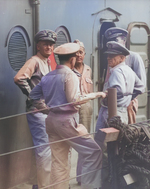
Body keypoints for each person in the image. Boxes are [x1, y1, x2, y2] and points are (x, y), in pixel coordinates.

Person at [29, 42, 106, 189]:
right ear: (72, 60)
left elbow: (33, 97)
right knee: (93, 152)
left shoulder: (47, 76)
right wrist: (97, 94)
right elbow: (75, 100)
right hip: (67, 123)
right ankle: (89, 186)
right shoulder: (69, 75)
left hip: (51, 122)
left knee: (59, 161)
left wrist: (47, 110)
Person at [95, 41, 145, 189]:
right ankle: (115, 181)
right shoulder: (128, 70)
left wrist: (106, 95)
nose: (109, 58)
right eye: (108, 56)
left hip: (111, 113)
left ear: (122, 58)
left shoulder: (116, 71)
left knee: (101, 149)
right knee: (118, 149)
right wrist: (129, 98)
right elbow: (141, 87)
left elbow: (118, 90)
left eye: (113, 56)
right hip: (122, 113)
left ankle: (104, 184)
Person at [14, 29, 57, 189]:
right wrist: (35, 98)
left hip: (46, 112)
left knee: (44, 149)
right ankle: (44, 186)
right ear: (38, 45)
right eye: (45, 44)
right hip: (37, 112)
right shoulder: (34, 61)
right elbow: (19, 78)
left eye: (51, 44)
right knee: (44, 149)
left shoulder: (46, 62)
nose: (49, 47)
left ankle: (39, 184)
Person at [104, 27, 146, 123]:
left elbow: (141, 85)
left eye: (115, 40)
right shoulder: (112, 57)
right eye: (110, 40)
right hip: (111, 104)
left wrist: (127, 98)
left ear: (124, 40)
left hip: (127, 104)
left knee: (126, 133)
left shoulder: (134, 57)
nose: (113, 43)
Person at [73, 39, 93, 185]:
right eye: (76, 52)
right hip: (73, 108)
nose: (78, 55)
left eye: (81, 52)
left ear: (84, 54)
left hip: (86, 109)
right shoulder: (69, 69)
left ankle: (81, 177)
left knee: (85, 141)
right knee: (73, 141)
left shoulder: (88, 69)